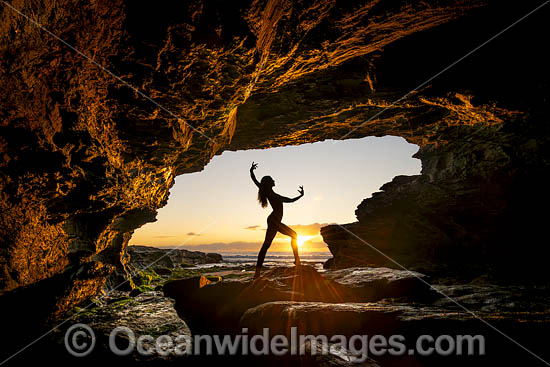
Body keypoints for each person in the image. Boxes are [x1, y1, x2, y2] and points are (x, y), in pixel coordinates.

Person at [250, 161, 303, 279]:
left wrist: (301, 195)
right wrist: (251, 171)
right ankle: (297, 261)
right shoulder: (270, 193)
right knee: (294, 235)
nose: (275, 180)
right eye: (272, 180)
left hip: (273, 220)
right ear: (269, 183)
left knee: (266, 246)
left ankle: (257, 273)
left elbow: (290, 200)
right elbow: (290, 200)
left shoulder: (272, 193)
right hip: (274, 220)